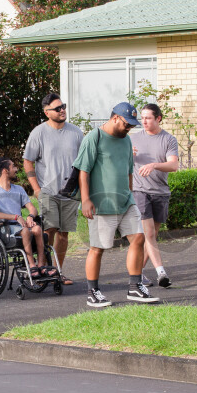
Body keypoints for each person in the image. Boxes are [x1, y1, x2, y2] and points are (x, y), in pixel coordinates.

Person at [73, 102, 159, 307]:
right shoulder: (95, 137)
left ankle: (134, 287)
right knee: (98, 247)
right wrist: (85, 200)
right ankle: (93, 292)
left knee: (138, 238)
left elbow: (129, 170)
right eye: (126, 124)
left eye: (131, 125)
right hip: (101, 203)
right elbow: (83, 171)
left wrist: (130, 194)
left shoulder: (126, 141)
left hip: (125, 200)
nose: (128, 128)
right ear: (114, 118)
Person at [23, 93, 83, 284]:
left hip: (71, 192)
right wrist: (36, 189)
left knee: (64, 234)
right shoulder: (38, 133)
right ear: (47, 112)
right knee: (50, 229)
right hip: (48, 191)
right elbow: (28, 162)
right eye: (57, 108)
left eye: (63, 106)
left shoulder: (75, 133)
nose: (62, 110)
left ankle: (57, 271)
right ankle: (44, 267)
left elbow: (84, 161)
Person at [132, 103, 179, 288]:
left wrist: (154, 165)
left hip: (160, 192)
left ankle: (137, 274)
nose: (144, 121)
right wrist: (128, 155)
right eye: (142, 118)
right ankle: (161, 273)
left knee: (151, 235)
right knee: (149, 233)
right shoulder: (133, 139)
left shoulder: (168, 139)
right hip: (140, 191)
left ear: (158, 118)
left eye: (148, 117)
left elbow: (173, 166)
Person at [0, 155, 48, 277]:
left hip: (20, 225)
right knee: (25, 231)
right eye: (13, 166)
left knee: (38, 229)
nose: (16, 169)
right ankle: (32, 265)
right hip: (4, 228)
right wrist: (15, 217)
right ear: (5, 171)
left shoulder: (18, 189)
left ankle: (41, 265)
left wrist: (30, 216)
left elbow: (32, 208)